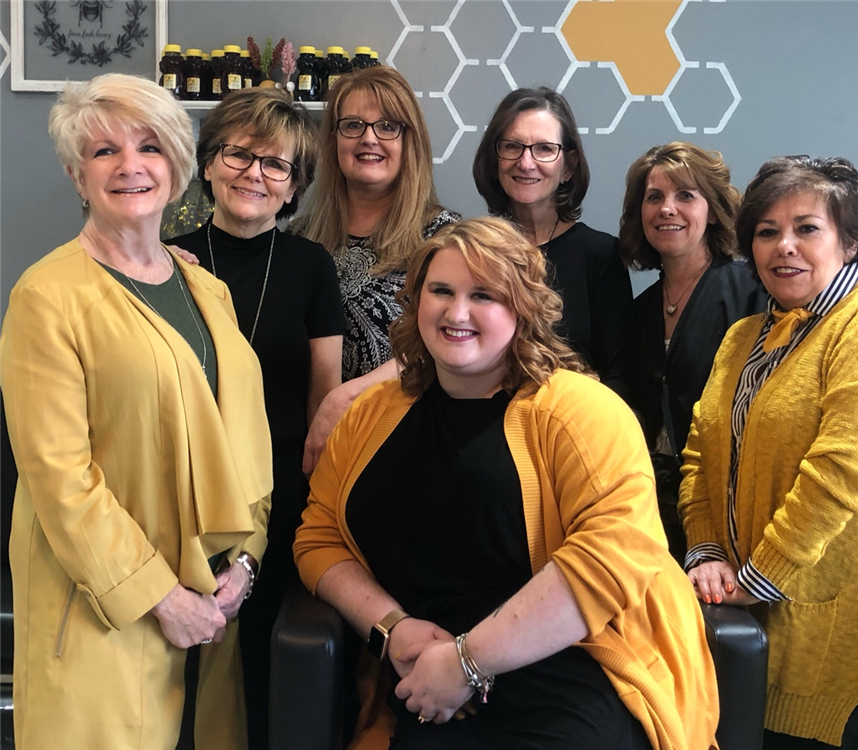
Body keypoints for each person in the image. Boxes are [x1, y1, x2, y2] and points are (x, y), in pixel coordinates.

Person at [294, 217, 719, 750]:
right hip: (427, 681)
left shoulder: (581, 411)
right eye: (441, 291)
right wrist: (393, 628)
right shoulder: (369, 416)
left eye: (484, 295)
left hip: (568, 673)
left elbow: (611, 559)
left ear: (523, 308)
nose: (457, 313)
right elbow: (319, 538)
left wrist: (468, 661)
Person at [0, 73, 271, 749]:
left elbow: (243, 440)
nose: (130, 165)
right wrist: (162, 598)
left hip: (212, 605)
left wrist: (245, 564)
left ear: (176, 167)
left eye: (149, 146)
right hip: (106, 611)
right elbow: (60, 480)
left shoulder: (205, 288)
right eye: (104, 151)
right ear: (76, 174)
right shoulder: (45, 297)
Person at [678, 156, 858, 749]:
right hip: (737, 630)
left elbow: (841, 476)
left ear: (849, 242)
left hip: (830, 651)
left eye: (807, 228)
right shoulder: (743, 337)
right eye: (767, 231)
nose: (784, 246)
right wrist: (707, 553)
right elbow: (700, 455)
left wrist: (757, 579)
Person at [168, 87, 345, 750]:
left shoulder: (311, 267)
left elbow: (323, 398)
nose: (255, 174)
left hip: (278, 491)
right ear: (209, 164)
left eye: (276, 164)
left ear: (295, 186)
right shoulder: (165, 261)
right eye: (239, 155)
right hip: (180, 493)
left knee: (260, 671)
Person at [298, 66, 459, 471]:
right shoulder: (298, 238)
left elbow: (449, 342)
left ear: (410, 141)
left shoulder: (444, 238)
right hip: (311, 453)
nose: (369, 138)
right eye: (353, 125)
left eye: (387, 126)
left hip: (410, 448)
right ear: (334, 139)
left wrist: (346, 397)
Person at [619, 143, 766, 558]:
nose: (667, 208)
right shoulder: (637, 310)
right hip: (651, 508)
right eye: (654, 197)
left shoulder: (752, 293)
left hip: (727, 508)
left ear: (713, 210)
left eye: (685, 195)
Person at [473, 87, 638, 404]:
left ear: (569, 167)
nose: (526, 162)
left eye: (544, 149)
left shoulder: (601, 255)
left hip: (573, 423)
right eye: (512, 146)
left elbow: (620, 379)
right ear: (495, 160)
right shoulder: (475, 253)